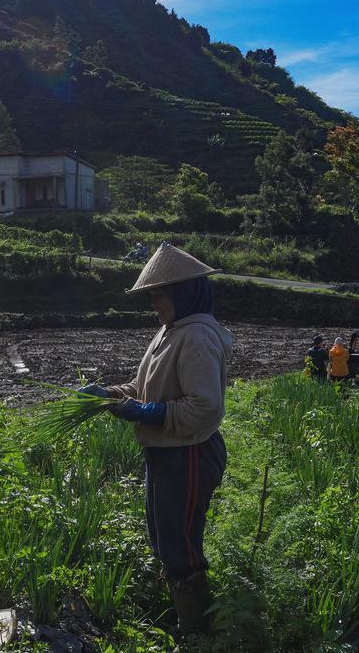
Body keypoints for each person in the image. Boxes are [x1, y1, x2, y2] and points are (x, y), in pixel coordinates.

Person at [79, 243, 232, 637]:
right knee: (164, 537)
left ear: (182, 292)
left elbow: (204, 408)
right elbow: (146, 386)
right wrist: (113, 394)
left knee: (179, 544)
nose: (153, 304)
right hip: (165, 453)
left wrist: (144, 413)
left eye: (158, 295)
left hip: (189, 453)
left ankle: (198, 632)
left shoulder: (196, 335)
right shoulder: (171, 330)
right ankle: (187, 618)